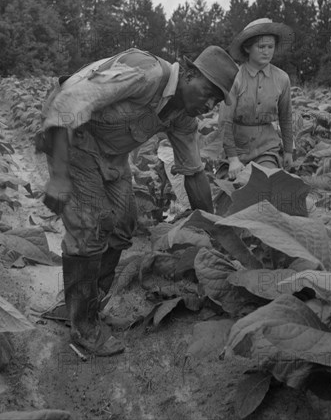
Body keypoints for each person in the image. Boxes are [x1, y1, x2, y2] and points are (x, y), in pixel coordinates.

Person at [37, 46, 238, 356]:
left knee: (124, 222)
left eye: (217, 100)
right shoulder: (146, 73)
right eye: (208, 92)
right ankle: (84, 331)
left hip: (110, 152)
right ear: (189, 73)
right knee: (90, 226)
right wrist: (60, 176)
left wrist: (215, 232)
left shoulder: (183, 116)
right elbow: (67, 101)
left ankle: (84, 305)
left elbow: (194, 173)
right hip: (72, 138)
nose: (210, 104)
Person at [220, 18, 294, 180]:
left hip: (267, 147)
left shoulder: (282, 78)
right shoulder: (235, 77)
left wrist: (288, 150)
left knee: (266, 183)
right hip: (236, 149)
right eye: (261, 47)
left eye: (270, 47)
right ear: (247, 48)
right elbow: (224, 121)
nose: (266, 51)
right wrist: (233, 159)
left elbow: (286, 116)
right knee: (230, 192)